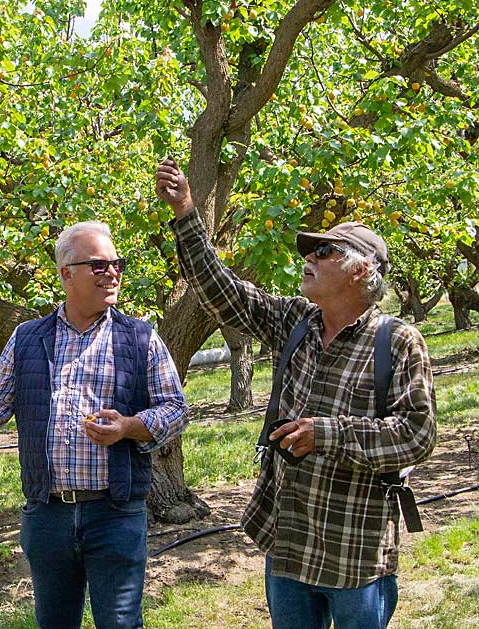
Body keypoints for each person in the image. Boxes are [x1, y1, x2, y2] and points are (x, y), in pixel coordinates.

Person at [155, 159, 436, 629]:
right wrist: (186, 211)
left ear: (361, 269)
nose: (308, 258)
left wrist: (326, 434)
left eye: (323, 251)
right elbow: (225, 293)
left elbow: (416, 436)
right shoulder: (297, 323)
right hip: (288, 541)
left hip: (355, 548)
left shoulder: (398, 341)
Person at [0, 220, 188, 629]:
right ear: (66, 274)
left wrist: (130, 426)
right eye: (99, 265)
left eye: (117, 263)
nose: (112, 273)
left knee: (121, 623)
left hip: (115, 512)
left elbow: (175, 409)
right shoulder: (28, 338)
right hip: (48, 515)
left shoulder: (140, 337)